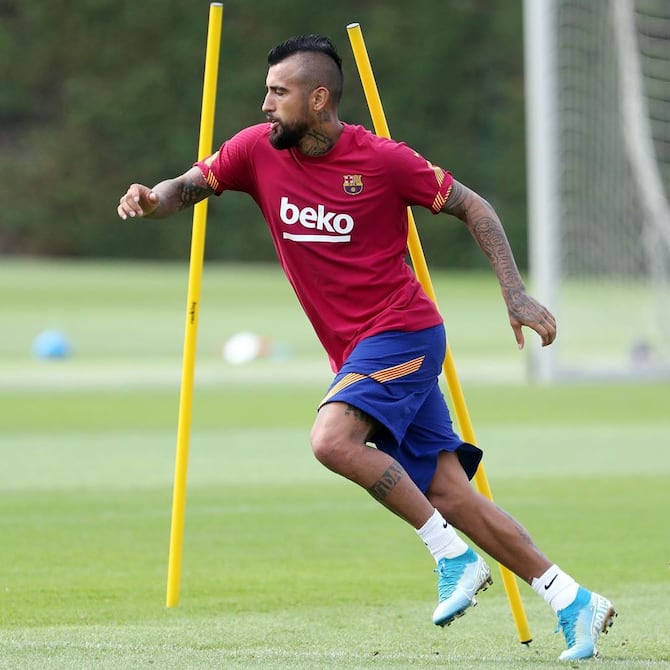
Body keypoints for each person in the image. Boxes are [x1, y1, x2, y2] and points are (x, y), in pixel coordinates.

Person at [117, 34, 615, 661]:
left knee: (331, 440)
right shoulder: (255, 149)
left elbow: (475, 207)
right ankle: (573, 599)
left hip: (404, 332)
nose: (265, 104)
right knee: (451, 495)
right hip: (359, 351)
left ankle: (451, 556)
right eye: (267, 91)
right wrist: (153, 200)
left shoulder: (383, 160)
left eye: (279, 92)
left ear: (318, 99)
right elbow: (185, 187)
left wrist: (514, 293)